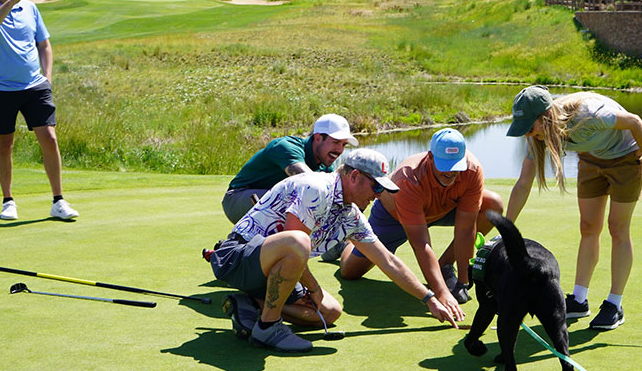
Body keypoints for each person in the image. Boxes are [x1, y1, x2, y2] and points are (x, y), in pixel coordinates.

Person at [210, 148, 463, 352]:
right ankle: (268, 327)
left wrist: (429, 298)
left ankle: (249, 306)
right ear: (354, 176)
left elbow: (387, 261)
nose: (378, 196)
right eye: (376, 187)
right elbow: (293, 243)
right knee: (299, 242)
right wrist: (315, 289)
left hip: (271, 271)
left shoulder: (350, 214)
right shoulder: (317, 188)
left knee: (330, 312)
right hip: (238, 258)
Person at [504, 86, 642, 330]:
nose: (528, 134)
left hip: (626, 157)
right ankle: (579, 300)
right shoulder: (538, 137)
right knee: (588, 227)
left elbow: (634, 121)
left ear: (544, 117)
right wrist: (506, 228)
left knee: (617, 228)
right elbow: (523, 184)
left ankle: (614, 304)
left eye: (530, 127)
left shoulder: (589, 114)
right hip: (591, 158)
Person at [338, 128, 503, 309]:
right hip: (394, 216)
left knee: (492, 205)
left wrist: (462, 283)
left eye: (455, 167)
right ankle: (349, 241)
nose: (451, 173)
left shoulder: (472, 170)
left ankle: (445, 265)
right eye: (445, 167)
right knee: (350, 271)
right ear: (430, 158)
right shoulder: (408, 178)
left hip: (443, 209)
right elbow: (420, 244)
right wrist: (440, 292)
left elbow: (465, 229)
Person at [0, 0, 78, 222]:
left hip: (34, 86)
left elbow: (44, 44)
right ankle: (8, 201)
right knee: (5, 144)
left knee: (50, 139)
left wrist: (48, 77)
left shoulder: (31, 9)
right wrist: (13, 1)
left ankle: (58, 200)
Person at [222, 113, 357, 224]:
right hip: (238, 199)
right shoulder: (287, 147)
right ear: (317, 138)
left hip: (267, 201)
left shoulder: (324, 166)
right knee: (303, 197)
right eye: (335, 142)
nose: (339, 150)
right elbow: (308, 182)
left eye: (344, 144)